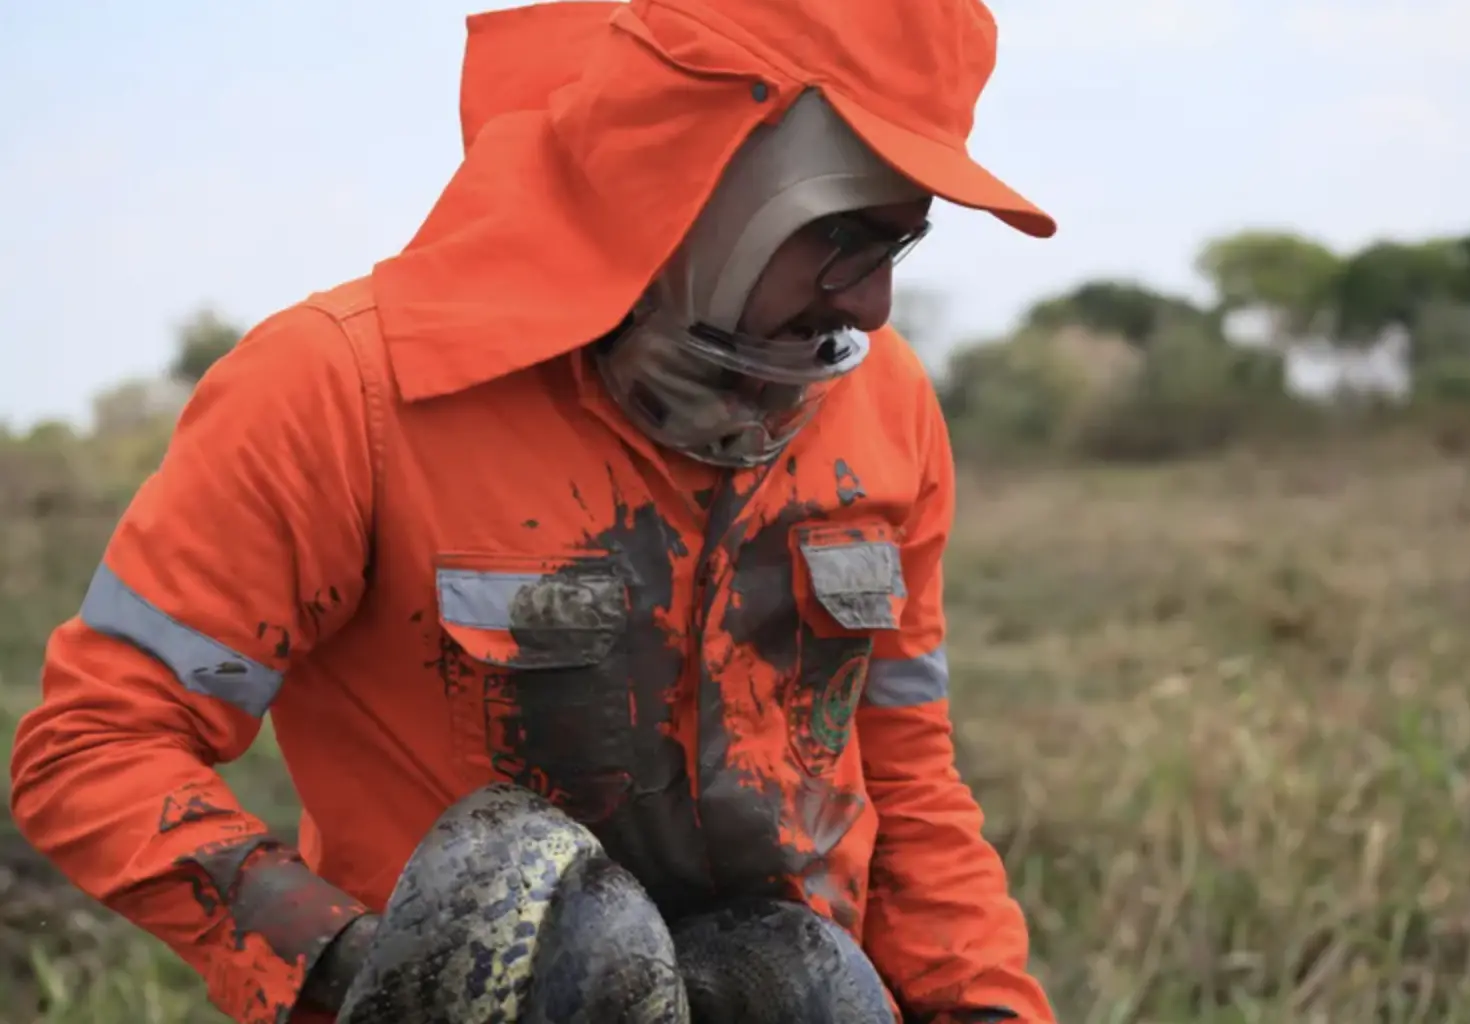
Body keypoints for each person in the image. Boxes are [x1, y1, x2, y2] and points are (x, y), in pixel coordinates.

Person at [7, 1, 1060, 1021]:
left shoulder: (887, 405)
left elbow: (907, 774)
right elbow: (93, 745)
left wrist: (987, 1009)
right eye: (843, 237)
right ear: (706, 176)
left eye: (897, 247)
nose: (871, 304)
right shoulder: (341, 392)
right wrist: (371, 964)